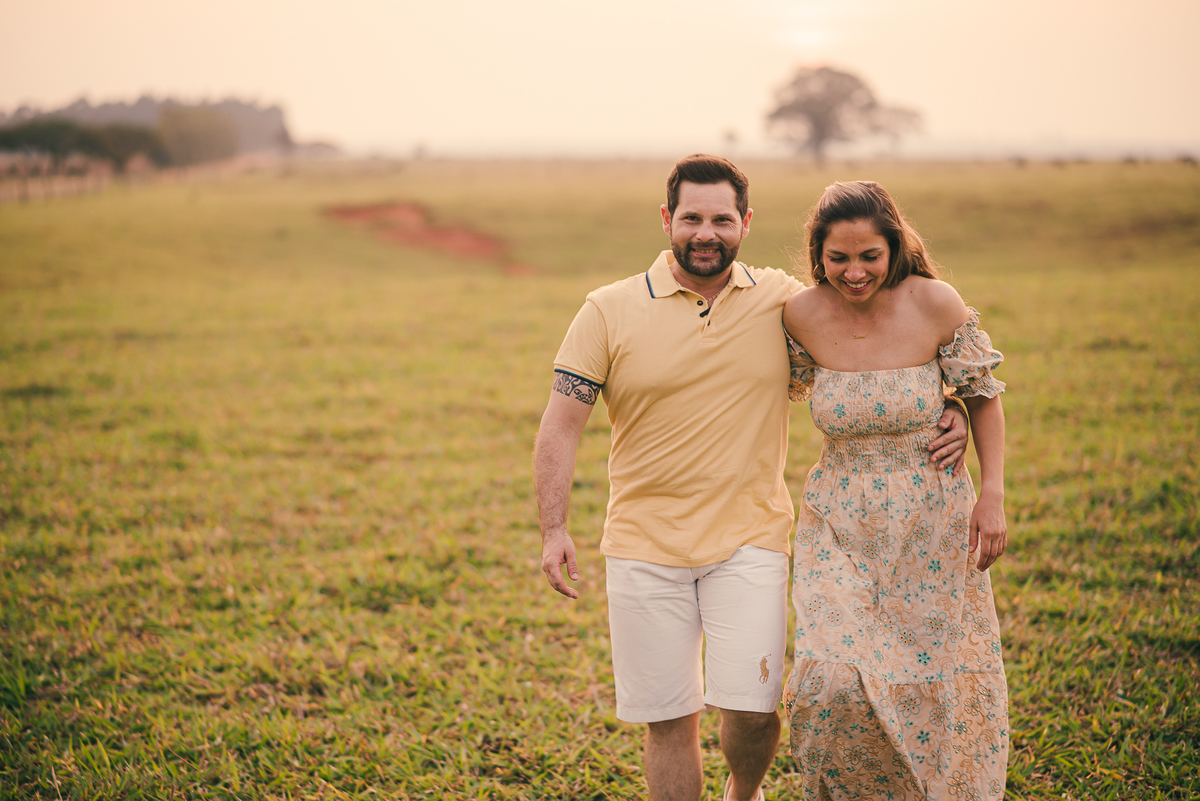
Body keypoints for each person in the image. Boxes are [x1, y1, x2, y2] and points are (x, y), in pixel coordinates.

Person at [533, 156, 970, 801]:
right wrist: (553, 528)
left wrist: (952, 404)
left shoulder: (782, 302)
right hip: (640, 544)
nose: (705, 233)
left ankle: (745, 794)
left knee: (752, 709)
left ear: (744, 223)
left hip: (751, 540)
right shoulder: (606, 310)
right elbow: (561, 425)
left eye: (721, 219)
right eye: (691, 218)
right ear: (667, 220)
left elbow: (873, 350)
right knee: (668, 721)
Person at [780, 180, 1009, 800]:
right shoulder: (799, 314)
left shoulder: (934, 302)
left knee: (929, 679)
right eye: (839, 258)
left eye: (869, 256)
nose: (854, 272)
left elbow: (983, 396)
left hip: (931, 515)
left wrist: (992, 494)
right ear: (818, 256)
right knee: (829, 680)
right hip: (837, 519)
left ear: (895, 247)